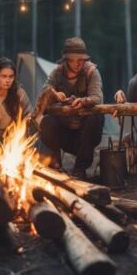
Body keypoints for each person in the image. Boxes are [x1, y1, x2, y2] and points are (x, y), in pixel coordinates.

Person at [39, 37, 104, 179]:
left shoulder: (91, 71)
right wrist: (54, 94)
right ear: (66, 59)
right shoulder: (57, 72)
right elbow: (45, 90)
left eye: (81, 60)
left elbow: (97, 97)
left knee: (95, 118)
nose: (77, 63)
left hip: (87, 131)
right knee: (47, 122)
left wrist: (84, 101)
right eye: (73, 60)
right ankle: (56, 166)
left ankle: (80, 169)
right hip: (66, 130)